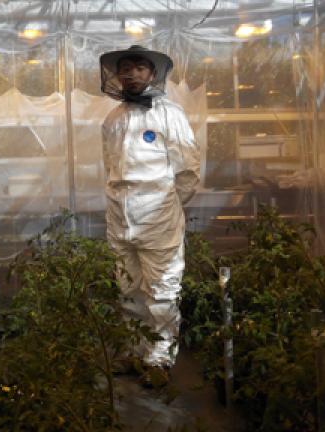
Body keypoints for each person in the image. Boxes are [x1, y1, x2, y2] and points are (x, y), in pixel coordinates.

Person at [99, 45, 201, 386]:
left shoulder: (169, 114)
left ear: (152, 73)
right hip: (120, 218)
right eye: (125, 67)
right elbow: (111, 168)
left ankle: (159, 361)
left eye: (139, 68)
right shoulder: (112, 119)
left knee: (162, 291)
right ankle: (133, 351)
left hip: (159, 219)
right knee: (127, 289)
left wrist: (166, 206)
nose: (130, 73)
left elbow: (188, 170)